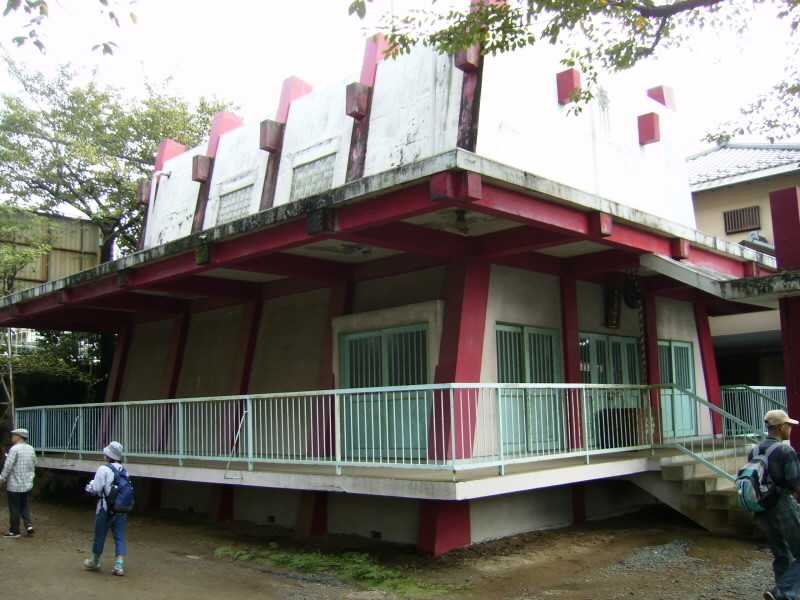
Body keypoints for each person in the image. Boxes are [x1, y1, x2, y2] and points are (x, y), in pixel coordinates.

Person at [756, 410, 800, 600]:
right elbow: (794, 483)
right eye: (788, 425)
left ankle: (780, 596)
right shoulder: (785, 451)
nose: (790, 429)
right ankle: (783, 592)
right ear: (781, 427)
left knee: (781, 555)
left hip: (761, 508)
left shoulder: (755, 449)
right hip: (782, 506)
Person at [83, 441, 128, 576]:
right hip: (121, 508)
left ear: (108, 455)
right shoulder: (124, 470)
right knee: (120, 536)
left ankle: (95, 561)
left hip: (105, 507)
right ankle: (119, 565)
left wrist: (89, 487)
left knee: (100, 534)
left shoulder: (103, 469)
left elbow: (96, 489)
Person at [0, 427, 36, 539]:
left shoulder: (14, 449)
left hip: (14, 485)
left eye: (13, 435)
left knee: (14, 507)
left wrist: (2, 478)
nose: (12, 437)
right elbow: (34, 464)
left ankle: (14, 531)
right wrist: (30, 478)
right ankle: (29, 526)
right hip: (27, 484)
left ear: (19, 437)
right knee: (24, 505)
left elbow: (8, 466)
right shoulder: (31, 448)